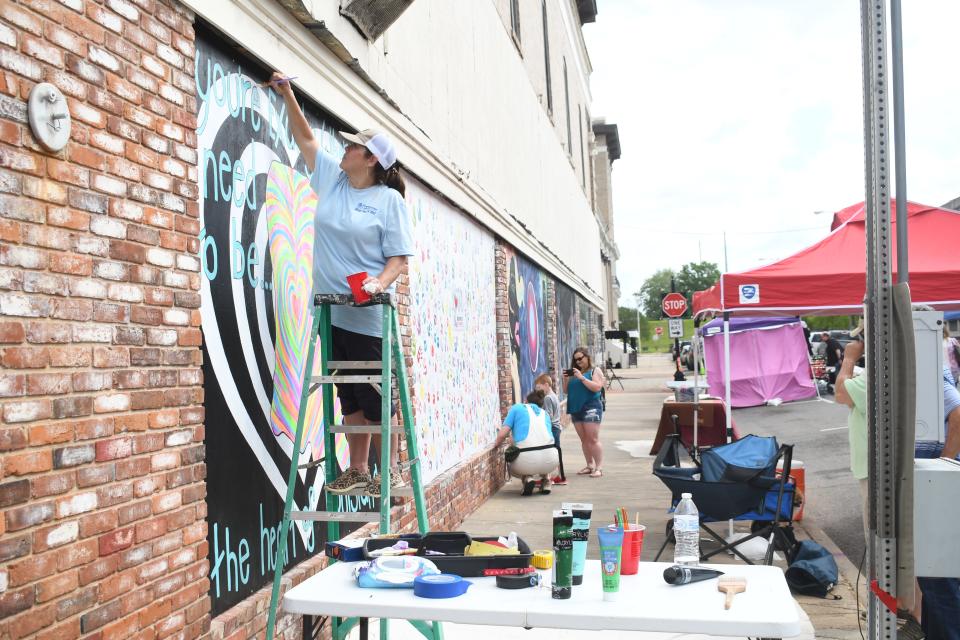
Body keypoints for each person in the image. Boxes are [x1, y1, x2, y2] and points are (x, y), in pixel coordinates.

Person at [268, 72, 412, 497]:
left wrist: (378, 282)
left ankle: (388, 473)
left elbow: (398, 260)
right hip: (330, 311)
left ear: (370, 160)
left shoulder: (389, 202)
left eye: (352, 146)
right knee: (348, 397)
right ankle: (359, 470)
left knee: (375, 399)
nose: (343, 149)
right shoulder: (333, 179)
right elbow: (306, 139)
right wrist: (288, 95)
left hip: (366, 316)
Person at [837, 340, 960, 639]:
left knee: (920, 561)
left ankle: (918, 616)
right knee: (918, 559)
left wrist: (849, 357)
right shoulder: (889, 372)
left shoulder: (884, 375)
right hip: (896, 472)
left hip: (895, 473)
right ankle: (918, 616)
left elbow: (841, 392)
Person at [494, 390, 559, 496]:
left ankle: (527, 479)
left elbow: (502, 435)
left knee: (516, 455)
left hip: (525, 461)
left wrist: (496, 444)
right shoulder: (545, 414)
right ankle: (546, 481)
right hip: (551, 461)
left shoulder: (517, 408)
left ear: (525, 401)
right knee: (542, 448)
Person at [564, 347, 606, 478]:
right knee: (584, 439)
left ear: (587, 357)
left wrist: (581, 377)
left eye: (580, 358)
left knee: (592, 438)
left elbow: (597, 387)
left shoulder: (594, 370)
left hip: (591, 407)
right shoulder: (575, 373)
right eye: (575, 359)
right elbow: (566, 391)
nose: (578, 361)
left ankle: (599, 468)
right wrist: (566, 379)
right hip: (576, 408)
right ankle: (589, 465)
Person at [535, 373, 566, 485]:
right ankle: (560, 476)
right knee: (556, 451)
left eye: (539, 387)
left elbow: (548, 415)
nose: (538, 390)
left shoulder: (547, 398)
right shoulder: (554, 395)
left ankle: (548, 478)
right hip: (557, 427)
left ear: (546, 385)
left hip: (552, 428)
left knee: (550, 452)